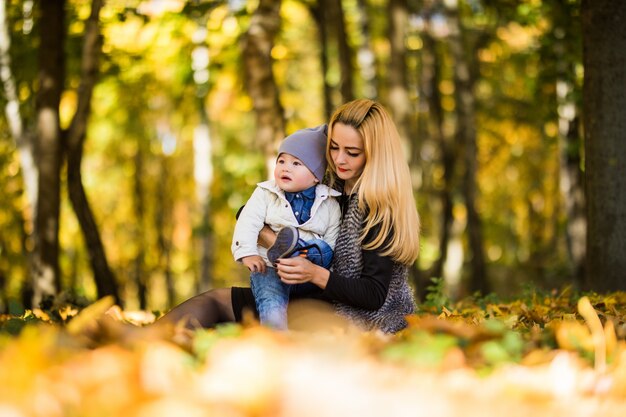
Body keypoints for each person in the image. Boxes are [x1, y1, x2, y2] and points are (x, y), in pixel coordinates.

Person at [134, 98, 420, 334]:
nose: (340, 159)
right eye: (334, 147)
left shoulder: (380, 208)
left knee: (263, 313)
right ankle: (144, 338)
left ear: (375, 154)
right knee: (217, 299)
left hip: (360, 315)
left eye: (352, 152)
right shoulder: (326, 184)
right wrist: (279, 243)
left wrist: (314, 273)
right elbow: (248, 212)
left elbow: (373, 295)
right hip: (316, 293)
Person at [232, 124, 341, 330]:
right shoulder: (265, 193)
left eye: (296, 163)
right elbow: (248, 220)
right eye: (281, 161)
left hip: (310, 268)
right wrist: (247, 253)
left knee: (323, 247)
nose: (285, 167)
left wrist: (320, 266)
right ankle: (276, 339)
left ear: (316, 176)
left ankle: (296, 248)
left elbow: (333, 241)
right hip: (272, 267)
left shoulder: (330, 204)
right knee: (271, 302)